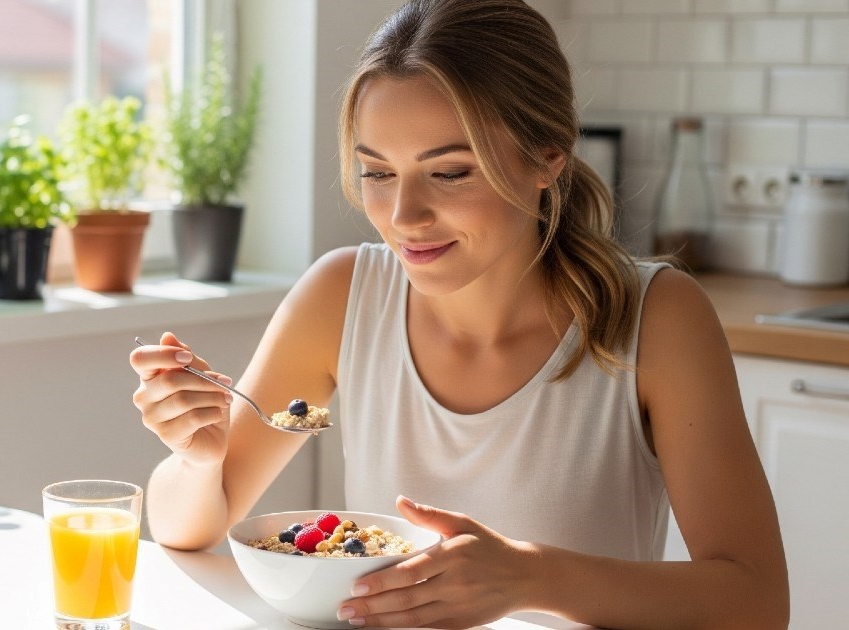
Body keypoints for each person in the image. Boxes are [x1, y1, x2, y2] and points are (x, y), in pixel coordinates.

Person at [129, 0, 789, 627]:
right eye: (378, 173)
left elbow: (757, 602)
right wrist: (200, 461)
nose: (403, 216)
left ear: (546, 160)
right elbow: (187, 529)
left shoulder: (657, 317)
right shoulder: (342, 293)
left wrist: (530, 577)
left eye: (449, 173)